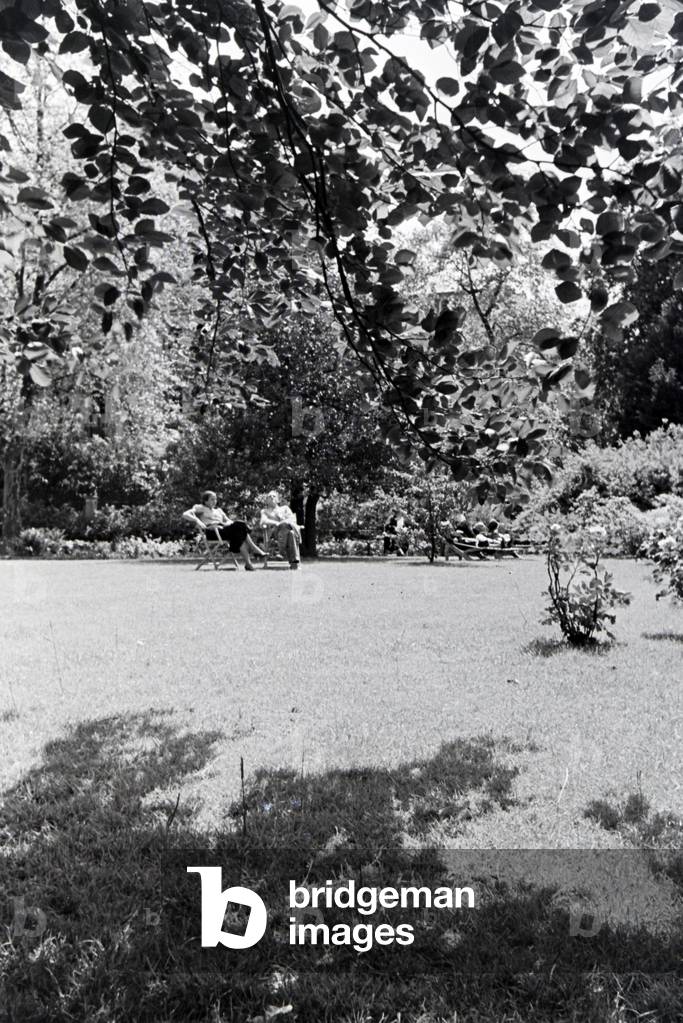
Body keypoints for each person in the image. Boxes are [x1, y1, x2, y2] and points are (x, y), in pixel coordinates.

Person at [183, 490, 265, 571]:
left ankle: (249, 564)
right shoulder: (201, 508)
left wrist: (224, 523)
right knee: (241, 527)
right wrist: (198, 521)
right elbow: (185, 514)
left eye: (215, 499)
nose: (214, 501)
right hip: (213, 532)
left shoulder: (219, 510)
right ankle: (255, 549)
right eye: (212, 499)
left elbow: (229, 521)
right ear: (205, 501)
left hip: (224, 531)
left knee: (240, 531)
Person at [260, 491, 301, 569]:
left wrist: (283, 520)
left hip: (287, 532)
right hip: (274, 534)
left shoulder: (285, 508)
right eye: (270, 496)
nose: (272, 497)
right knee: (286, 528)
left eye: (274, 496)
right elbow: (262, 522)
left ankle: (282, 553)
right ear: (267, 501)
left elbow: (292, 519)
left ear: (278, 500)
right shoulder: (264, 511)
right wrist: (276, 523)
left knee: (291, 533)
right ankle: (294, 562)